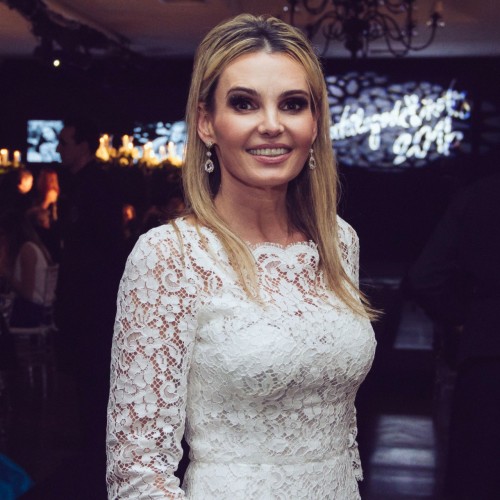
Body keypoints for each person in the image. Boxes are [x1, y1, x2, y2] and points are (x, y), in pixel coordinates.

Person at [107, 14, 377, 499]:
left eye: (292, 104)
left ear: (315, 123)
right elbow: (139, 470)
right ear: (206, 122)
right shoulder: (170, 256)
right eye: (244, 103)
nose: (271, 125)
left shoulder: (339, 241)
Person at [406, 170, 500, 500]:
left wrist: (462, 319)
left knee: (477, 478)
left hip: (488, 355)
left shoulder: (480, 195)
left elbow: (424, 278)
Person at [54, 116, 125, 498]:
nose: (58, 149)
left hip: (94, 300)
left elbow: (105, 246)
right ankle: (92, 450)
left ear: (83, 145)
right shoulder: (78, 184)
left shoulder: (98, 185)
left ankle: (98, 454)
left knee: (96, 375)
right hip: (83, 297)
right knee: (87, 376)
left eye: (65, 142)